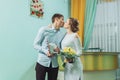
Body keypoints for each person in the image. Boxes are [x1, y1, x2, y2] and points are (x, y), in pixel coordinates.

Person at [33, 13, 64, 80]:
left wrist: (59, 51)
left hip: (54, 64)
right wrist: (46, 51)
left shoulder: (61, 34)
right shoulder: (44, 29)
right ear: (56, 19)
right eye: (62, 20)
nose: (63, 22)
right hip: (42, 62)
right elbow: (35, 44)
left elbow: (61, 49)